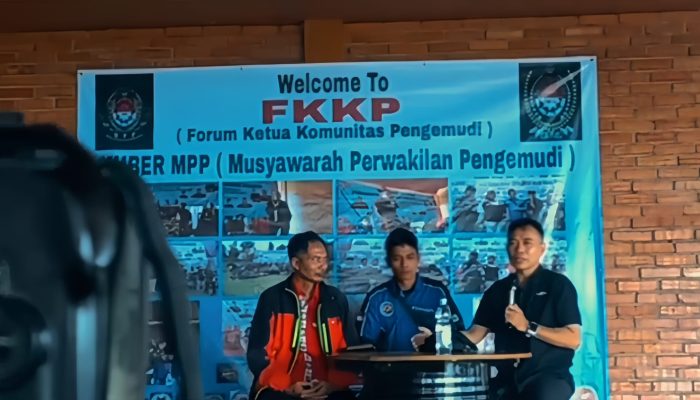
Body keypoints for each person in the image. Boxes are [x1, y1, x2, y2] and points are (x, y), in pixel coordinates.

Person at [462, 218, 581, 400]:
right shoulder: (497, 290)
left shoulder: (558, 285)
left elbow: (573, 338)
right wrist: (438, 338)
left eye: (527, 243)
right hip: (506, 379)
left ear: (542, 249)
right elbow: (474, 334)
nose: (520, 249)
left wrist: (528, 326)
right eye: (513, 243)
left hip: (548, 378)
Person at [247, 231, 358, 400]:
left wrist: (332, 385)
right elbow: (257, 354)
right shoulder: (272, 298)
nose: (323, 266)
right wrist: (287, 387)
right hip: (283, 390)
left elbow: (351, 352)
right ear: (296, 263)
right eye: (316, 259)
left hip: (327, 389)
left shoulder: (335, 299)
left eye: (325, 259)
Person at [357, 227, 465, 352]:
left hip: (432, 363)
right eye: (397, 258)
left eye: (410, 257)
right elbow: (366, 345)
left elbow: (459, 335)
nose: (404, 264)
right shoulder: (376, 297)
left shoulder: (437, 292)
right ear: (389, 262)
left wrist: (432, 340)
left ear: (418, 259)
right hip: (389, 363)